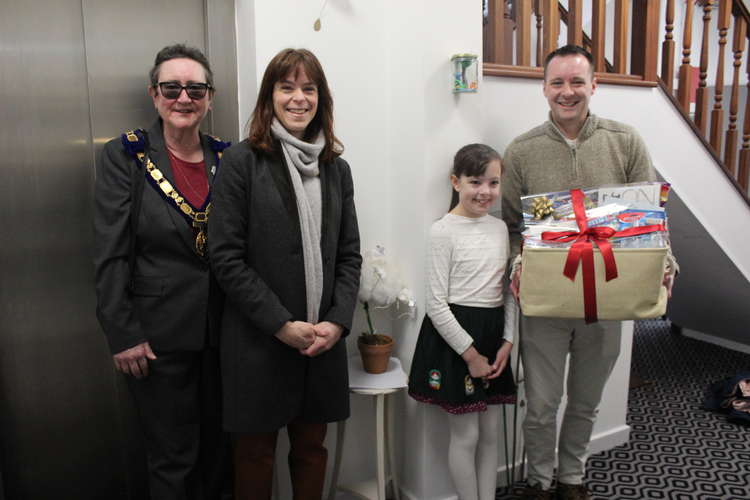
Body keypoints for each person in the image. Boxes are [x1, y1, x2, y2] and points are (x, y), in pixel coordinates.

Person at [501, 45, 677, 500]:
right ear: (543, 89)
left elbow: (650, 218)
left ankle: (572, 478)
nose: (567, 92)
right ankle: (540, 481)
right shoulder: (521, 151)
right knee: (540, 404)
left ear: (593, 85)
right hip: (546, 299)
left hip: (609, 295)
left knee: (586, 400)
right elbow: (509, 226)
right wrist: (517, 264)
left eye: (577, 81)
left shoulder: (626, 140)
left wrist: (667, 264)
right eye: (557, 82)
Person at [208, 48, 361, 500]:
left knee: (312, 451)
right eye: (287, 87)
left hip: (321, 342)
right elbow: (226, 258)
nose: (299, 98)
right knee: (254, 457)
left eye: (309, 88)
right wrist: (280, 325)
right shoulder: (241, 163)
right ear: (269, 96)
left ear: (321, 98)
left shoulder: (337, 169)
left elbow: (349, 256)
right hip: (259, 341)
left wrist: (337, 321)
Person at [94, 44, 230, 500]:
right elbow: (111, 249)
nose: (183, 98)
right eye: (172, 88)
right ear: (154, 95)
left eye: (196, 88)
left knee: (219, 452)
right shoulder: (126, 156)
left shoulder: (227, 159)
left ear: (210, 98)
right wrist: (121, 331)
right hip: (156, 338)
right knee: (173, 458)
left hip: (224, 335)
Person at [408, 144, 517, 500]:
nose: (484, 192)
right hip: (458, 341)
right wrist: (471, 355)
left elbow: (508, 292)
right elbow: (436, 304)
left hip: (492, 335)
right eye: (475, 182)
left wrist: (508, 341)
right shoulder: (443, 231)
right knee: (466, 434)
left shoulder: (500, 229)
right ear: (456, 182)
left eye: (493, 183)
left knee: (489, 434)